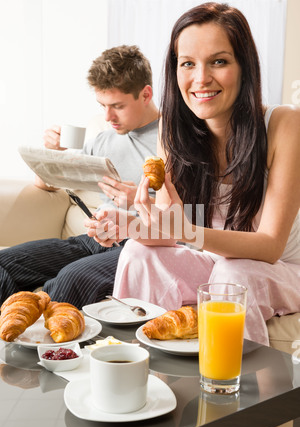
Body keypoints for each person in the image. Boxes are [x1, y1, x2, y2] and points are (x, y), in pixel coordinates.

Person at [97, 2, 300, 348]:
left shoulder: (284, 125)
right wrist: (126, 225)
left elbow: (270, 246)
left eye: (218, 61)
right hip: (214, 261)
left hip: (281, 269)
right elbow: (169, 231)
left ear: (244, 66)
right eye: (188, 63)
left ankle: (235, 393)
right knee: (137, 253)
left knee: (232, 276)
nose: (201, 78)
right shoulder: (172, 134)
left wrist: (187, 231)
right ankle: (135, 368)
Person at [0, 45, 159, 308]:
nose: (108, 117)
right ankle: (11, 342)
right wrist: (52, 154)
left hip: (140, 242)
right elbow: (48, 186)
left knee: (69, 280)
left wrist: (136, 203)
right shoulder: (104, 139)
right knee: (4, 264)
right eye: (102, 106)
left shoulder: (173, 140)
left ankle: (46, 344)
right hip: (94, 239)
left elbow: (195, 219)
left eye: (117, 106)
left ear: (146, 94)